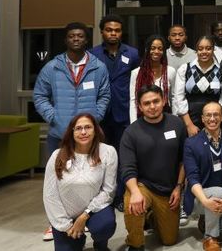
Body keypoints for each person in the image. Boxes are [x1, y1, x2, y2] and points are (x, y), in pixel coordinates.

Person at [34, 22, 111, 241]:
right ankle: (55, 224)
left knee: (88, 181)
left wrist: (95, 118)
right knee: (57, 182)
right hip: (60, 135)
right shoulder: (52, 67)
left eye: (80, 36)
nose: (76, 39)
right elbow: (39, 96)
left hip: (89, 138)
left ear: (87, 40)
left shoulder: (98, 67)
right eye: (71, 36)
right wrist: (54, 118)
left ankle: (86, 218)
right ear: (66, 40)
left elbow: (105, 95)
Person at [120, 85, 188, 250]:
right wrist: (135, 192)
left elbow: (184, 160)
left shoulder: (177, 124)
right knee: (132, 202)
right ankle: (135, 244)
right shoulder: (131, 132)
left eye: (156, 101)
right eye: (147, 103)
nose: (152, 106)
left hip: (168, 190)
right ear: (140, 107)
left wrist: (178, 188)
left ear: (164, 100)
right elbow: (127, 168)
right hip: (144, 186)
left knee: (169, 239)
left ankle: (151, 216)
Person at [43, 114, 117, 251]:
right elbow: (50, 195)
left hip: (94, 210)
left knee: (104, 226)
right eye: (78, 128)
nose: (83, 132)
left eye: (88, 127)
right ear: (71, 132)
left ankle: (100, 244)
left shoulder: (108, 152)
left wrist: (84, 216)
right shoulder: (57, 155)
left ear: (95, 130)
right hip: (66, 215)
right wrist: (66, 225)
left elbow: (109, 191)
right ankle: (78, 238)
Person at [183, 102, 222, 251]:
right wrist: (205, 201)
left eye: (216, 114)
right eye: (208, 115)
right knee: (218, 192)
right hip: (199, 199)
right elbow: (192, 177)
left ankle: (209, 220)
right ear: (202, 119)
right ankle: (210, 237)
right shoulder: (191, 143)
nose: (212, 118)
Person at [90, 14, 140, 153]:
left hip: (123, 111)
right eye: (109, 30)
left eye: (117, 30)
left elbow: (137, 81)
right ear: (102, 32)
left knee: (124, 152)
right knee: (100, 152)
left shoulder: (132, 54)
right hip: (100, 113)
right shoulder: (92, 55)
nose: (113, 33)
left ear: (121, 32)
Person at [174, 35, 222, 136]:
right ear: (196, 51)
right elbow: (179, 98)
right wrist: (189, 125)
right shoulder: (185, 69)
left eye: (208, 48)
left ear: (214, 50)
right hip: (190, 120)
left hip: (215, 120)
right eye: (200, 49)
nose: (204, 52)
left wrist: (215, 122)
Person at [129, 35, 176, 123]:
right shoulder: (136, 73)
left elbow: (173, 98)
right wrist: (133, 123)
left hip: (166, 117)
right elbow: (133, 100)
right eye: (153, 48)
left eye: (160, 48)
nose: (156, 51)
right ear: (147, 50)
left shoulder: (170, 71)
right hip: (143, 119)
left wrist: (175, 120)